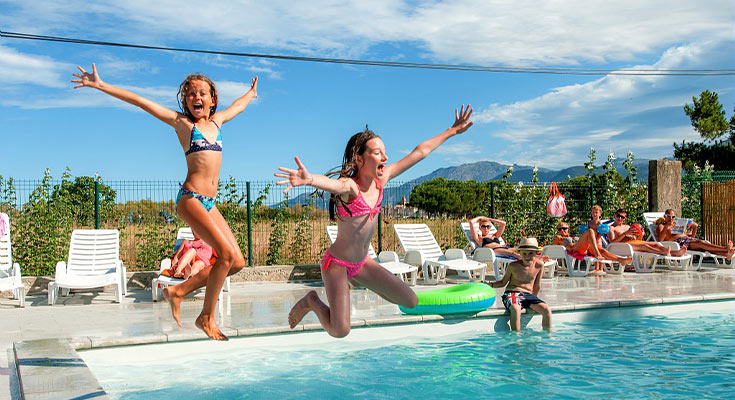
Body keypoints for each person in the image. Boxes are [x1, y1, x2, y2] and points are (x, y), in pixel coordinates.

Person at [72, 64, 258, 340]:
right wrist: (102, 86)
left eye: (202, 93)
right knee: (226, 255)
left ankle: (178, 291)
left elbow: (238, 107)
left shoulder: (217, 123)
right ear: (185, 101)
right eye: (191, 94)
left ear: (212, 99)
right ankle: (206, 318)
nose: (197, 97)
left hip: (210, 202)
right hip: (190, 199)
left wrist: (251, 94)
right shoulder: (183, 125)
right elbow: (140, 101)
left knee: (238, 261)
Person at [275, 105, 474, 338]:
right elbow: (335, 185)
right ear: (359, 159)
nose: (385, 157)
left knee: (411, 301)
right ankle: (311, 301)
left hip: (362, 264)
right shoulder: (351, 187)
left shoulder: (382, 180)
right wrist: (310, 180)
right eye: (378, 152)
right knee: (340, 330)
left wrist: (451, 131)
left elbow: (419, 152)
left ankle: (363, 282)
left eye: (385, 152)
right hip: (337, 265)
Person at [485, 237, 552, 331]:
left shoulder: (539, 265)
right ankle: (516, 337)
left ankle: (547, 335)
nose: (527, 256)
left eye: (530, 253)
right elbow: (502, 283)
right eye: (524, 253)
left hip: (528, 296)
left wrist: (533, 300)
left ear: (537, 253)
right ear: (519, 253)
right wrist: (489, 284)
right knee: (516, 310)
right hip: (512, 293)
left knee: (546, 310)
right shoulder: (513, 266)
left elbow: (537, 285)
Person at [566, 205, 632, 275]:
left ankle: (621, 260)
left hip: (591, 246)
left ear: (600, 213)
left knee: (602, 250)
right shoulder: (589, 224)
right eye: (593, 212)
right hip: (580, 247)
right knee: (590, 231)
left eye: (596, 212)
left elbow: (600, 236)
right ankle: (597, 259)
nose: (594, 214)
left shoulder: (600, 224)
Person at [607, 208, 688, 257]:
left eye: (622, 217)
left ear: (625, 219)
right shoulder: (611, 228)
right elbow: (612, 242)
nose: (620, 218)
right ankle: (664, 252)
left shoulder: (628, 227)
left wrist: (641, 234)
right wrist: (625, 234)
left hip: (633, 243)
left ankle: (675, 253)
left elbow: (637, 238)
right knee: (645, 246)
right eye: (618, 216)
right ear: (614, 216)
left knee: (656, 244)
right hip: (622, 246)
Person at [656, 209, 733, 258]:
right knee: (701, 243)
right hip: (678, 242)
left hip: (687, 240)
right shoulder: (661, 226)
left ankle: (726, 254)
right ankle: (725, 249)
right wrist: (666, 227)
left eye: (673, 217)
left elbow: (691, 236)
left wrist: (694, 228)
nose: (671, 219)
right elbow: (660, 240)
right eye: (669, 216)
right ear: (665, 216)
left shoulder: (676, 224)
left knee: (704, 245)